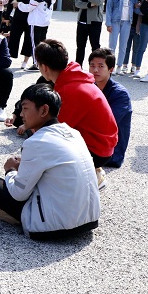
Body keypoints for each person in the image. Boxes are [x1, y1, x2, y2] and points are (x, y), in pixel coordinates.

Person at [0, 84, 100, 240]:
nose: (21, 114)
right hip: (89, 220)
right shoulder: (74, 133)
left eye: (25, 108)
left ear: (44, 110)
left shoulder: (36, 142)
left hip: (53, 227)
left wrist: (10, 170)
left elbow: (19, 193)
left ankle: (12, 216)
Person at [34, 39, 117, 188]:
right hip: (103, 144)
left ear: (44, 67)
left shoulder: (69, 90)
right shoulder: (72, 78)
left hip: (97, 151)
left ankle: (91, 176)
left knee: (42, 145)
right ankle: (92, 170)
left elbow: (55, 131)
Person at [88, 48, 132, 169]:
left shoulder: (120, 94)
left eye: (101, 66)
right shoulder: (90, 87)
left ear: (111, 69)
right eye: (92, 65)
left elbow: (106, 124)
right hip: (92, 141)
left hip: (111, 152)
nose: (95, 70)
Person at [74, 0, 110, 67]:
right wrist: (89, 5)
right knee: (80, 47)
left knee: (95, 47)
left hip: (94, 22)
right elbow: (77, 3)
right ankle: (78, 68)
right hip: (81, 21)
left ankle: (96, 67)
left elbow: (98, 1)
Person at [19, 0, 54, 70]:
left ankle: (36, 64)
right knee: (43, 44)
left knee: (35, 44)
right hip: (45, 22)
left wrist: (19, 4)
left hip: (35, 22)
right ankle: (43, 63)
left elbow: (29, 8)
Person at [105, 0, 137, 76]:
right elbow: (108, 8)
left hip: (127, 22)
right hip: (115, 21)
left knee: (123, 46)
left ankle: (119, 66)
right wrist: (108, 23)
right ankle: (111, 67)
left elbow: (136, 7)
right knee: (112, 45)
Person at [8, 0, 38, 68]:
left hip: (32, 18)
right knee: (13, 37)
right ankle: (9, 58)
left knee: (28, 40)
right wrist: (6, 16)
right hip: (18, 17)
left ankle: (25, 61)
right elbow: (11, 0)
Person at [121, 0, 146, 75]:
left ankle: (134, 66)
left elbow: (144, 11)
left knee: (136, 48)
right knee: (126, 47)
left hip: (139, 27)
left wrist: (138, 8)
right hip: (128, 25)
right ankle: (124, 65)